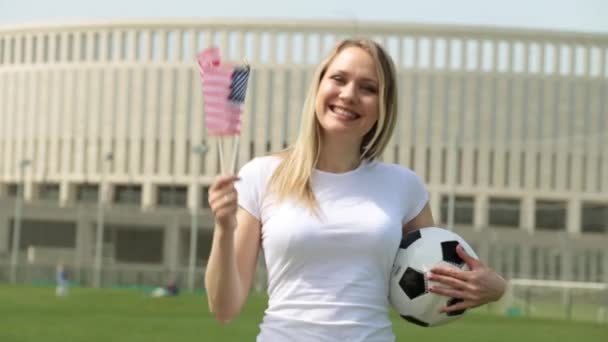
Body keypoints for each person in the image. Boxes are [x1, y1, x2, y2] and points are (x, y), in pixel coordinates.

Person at [204, 38, 506, 341]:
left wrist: (494, 288)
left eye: (368, 88)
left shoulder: (404, 186)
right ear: (319, 85)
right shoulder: (261, 175)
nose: (348, 95)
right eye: (338, 79)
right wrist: (223, 228)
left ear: (383, 106)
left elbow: (437, 277)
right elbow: (224, 309)